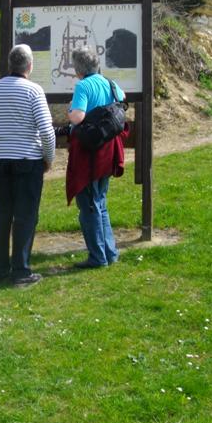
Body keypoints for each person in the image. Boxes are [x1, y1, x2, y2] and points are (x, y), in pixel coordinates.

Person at [0, 44, 55, 286]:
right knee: (26, 216)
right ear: (30, 66)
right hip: (28, 162)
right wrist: (48, 159)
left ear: (10, 64)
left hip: (1, 163)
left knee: (2, 216)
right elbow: (47, 131)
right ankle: (21, 271)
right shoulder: (34, 91)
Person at [66, 45, 129, 269]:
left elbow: (78, 117)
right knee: (100, 201)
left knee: (89, 205)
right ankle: (110, 252)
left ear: (78, 69)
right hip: (109, 148)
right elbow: (123, 99)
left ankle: (97, 257)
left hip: (90, 153)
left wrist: (69, 112)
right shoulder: (110, 83)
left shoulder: (83, 86)